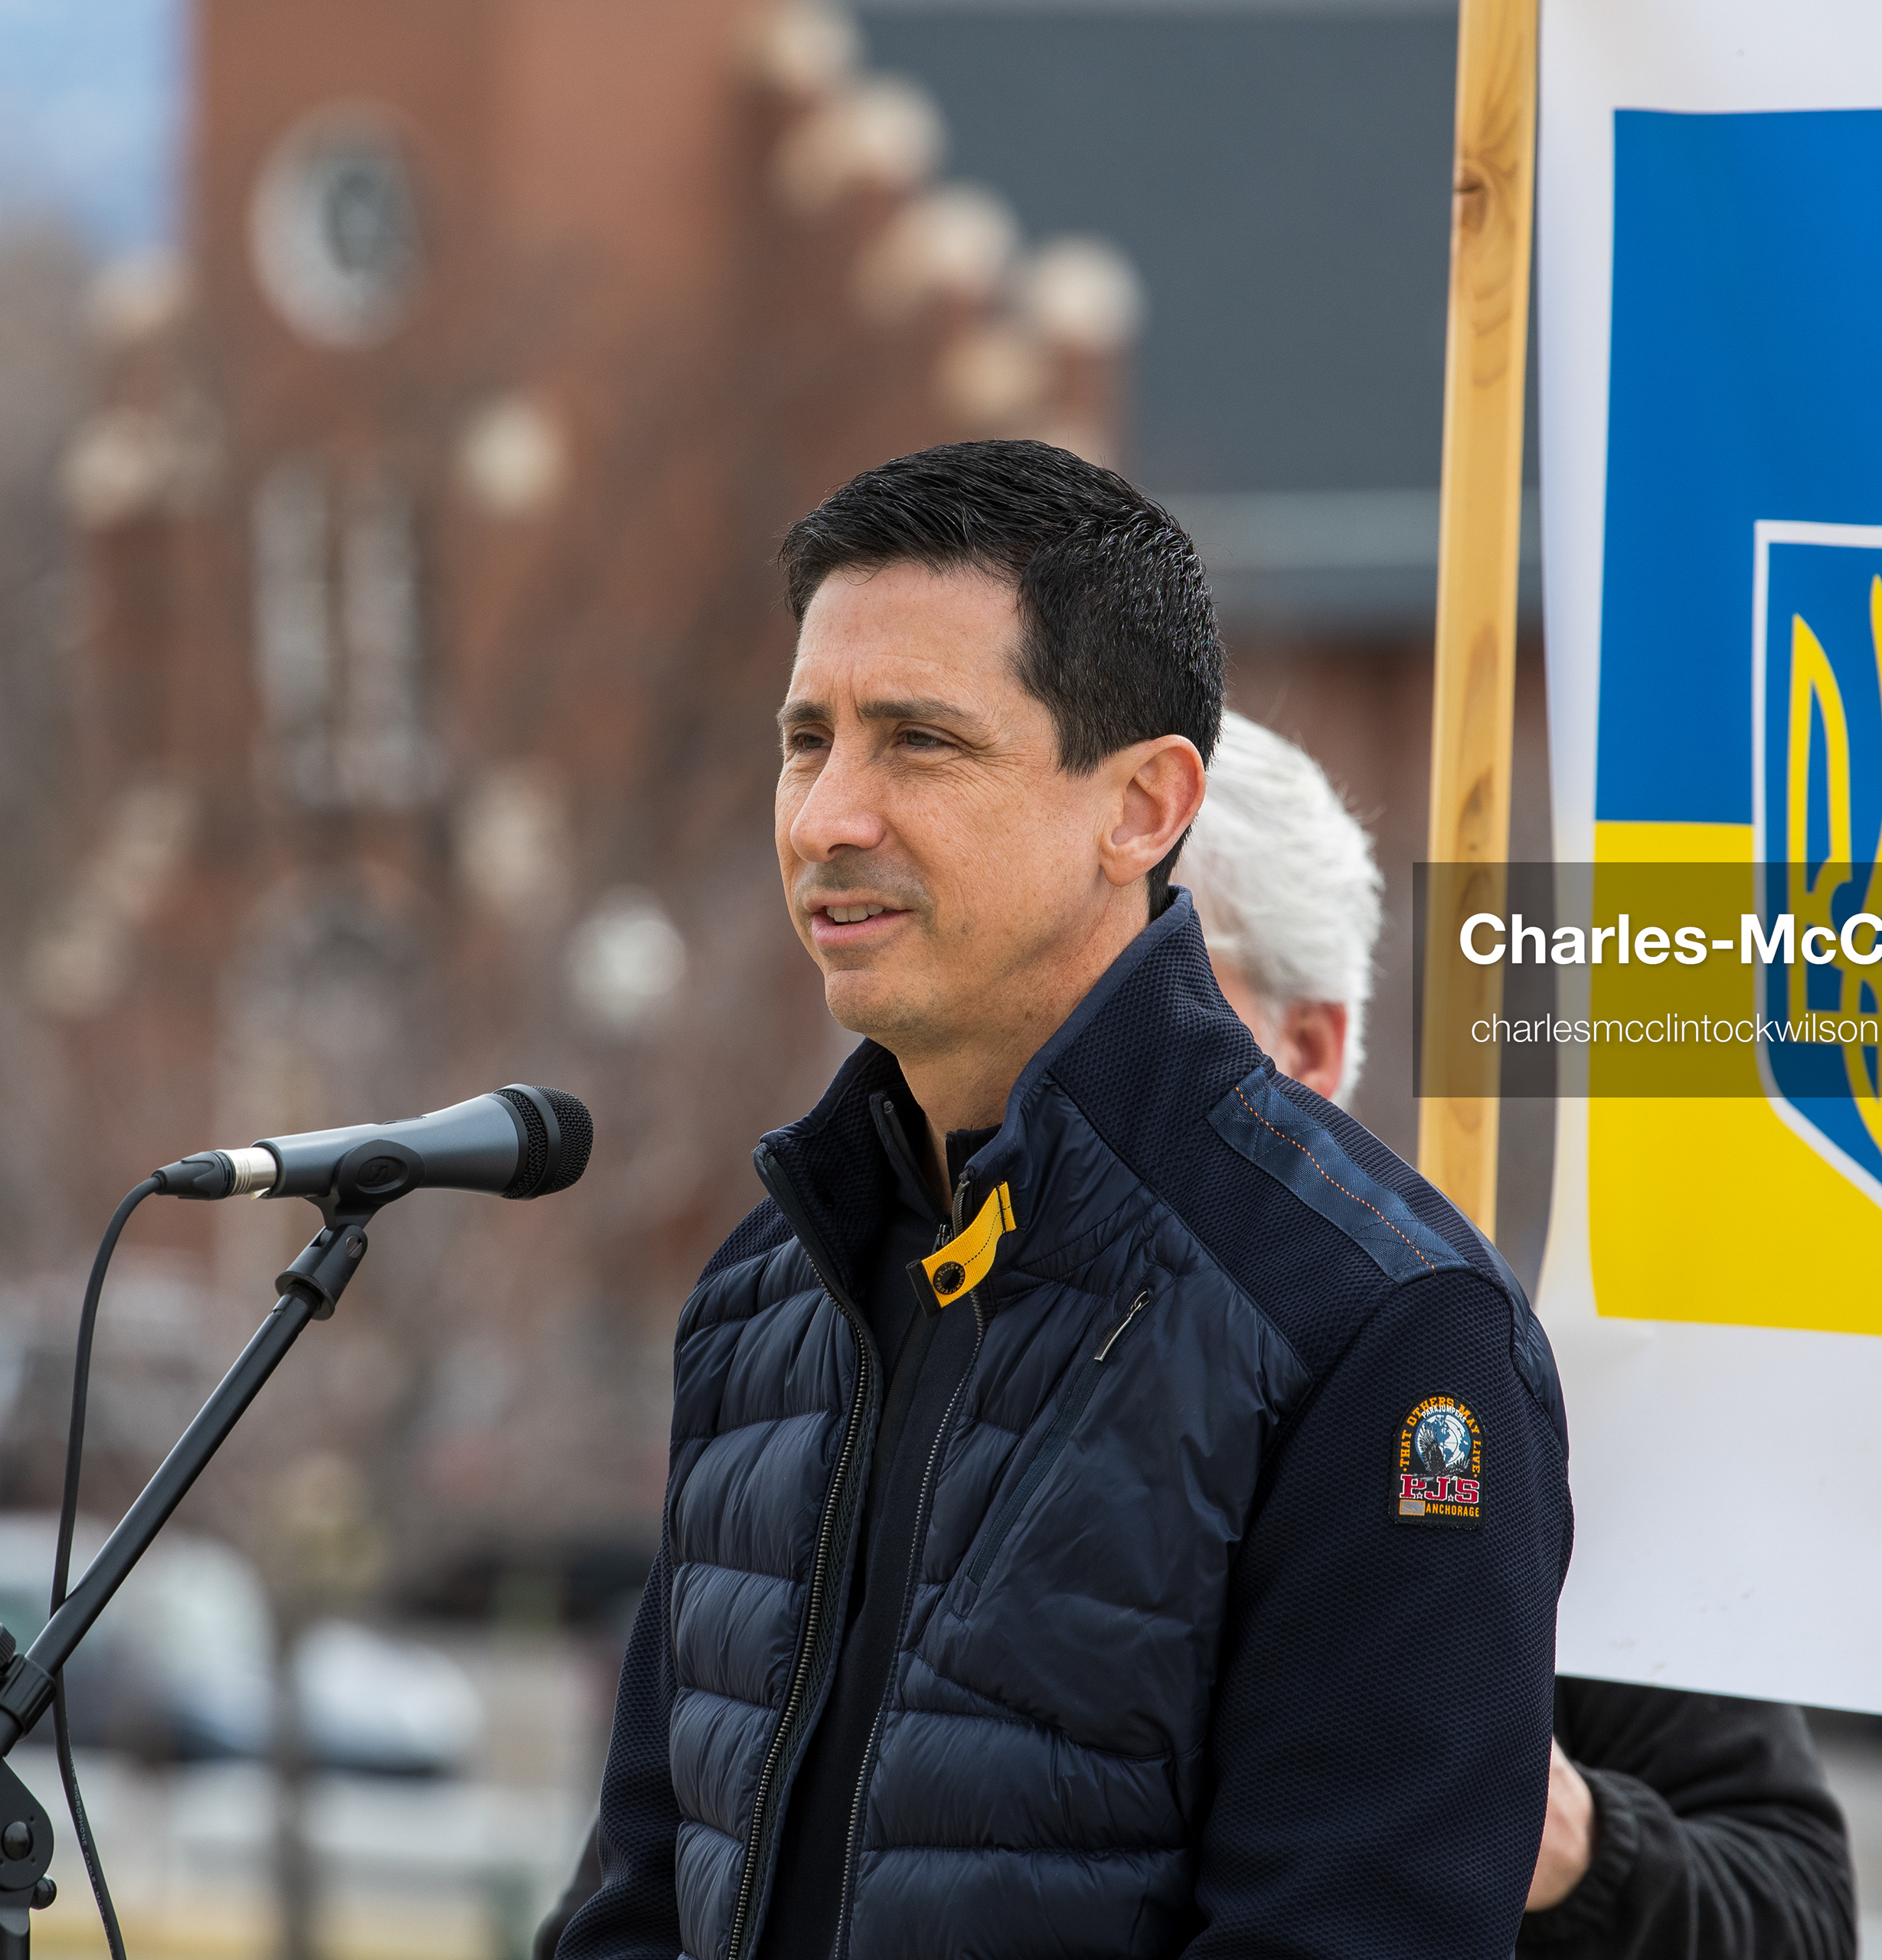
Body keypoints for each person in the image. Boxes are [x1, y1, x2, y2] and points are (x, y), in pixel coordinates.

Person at [553, 442, 1573, 1960]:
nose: (829, 814)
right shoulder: (768, 1293)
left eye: (919, 741)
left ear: (1146, 805)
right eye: (806, 738)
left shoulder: (1384, 1326)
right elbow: (640, 1899)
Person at [1178, 712, 1857, 1960]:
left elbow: (1797, 1911)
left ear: (1309, 1044)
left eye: (1148, 979)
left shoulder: (1514, 1412)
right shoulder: (856, 1354)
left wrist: (1573, 1842)